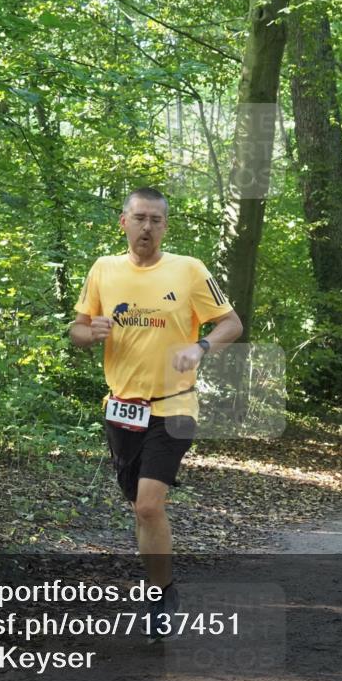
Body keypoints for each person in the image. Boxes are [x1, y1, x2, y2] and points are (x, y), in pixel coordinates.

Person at [70, 187, 243, 641]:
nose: (147, 227)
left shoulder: (189, 270)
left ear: (166, 226)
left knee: (149, 505)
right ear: (123, 222)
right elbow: (77, 327)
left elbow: (231, 323)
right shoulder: (103, 270)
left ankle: (160, 595)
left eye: (156, 220)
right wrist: (91, 333)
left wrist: (200, 346)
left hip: (175, 406)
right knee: (141, 509)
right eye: (140, 218)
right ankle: (159, 584)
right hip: (122, 410)